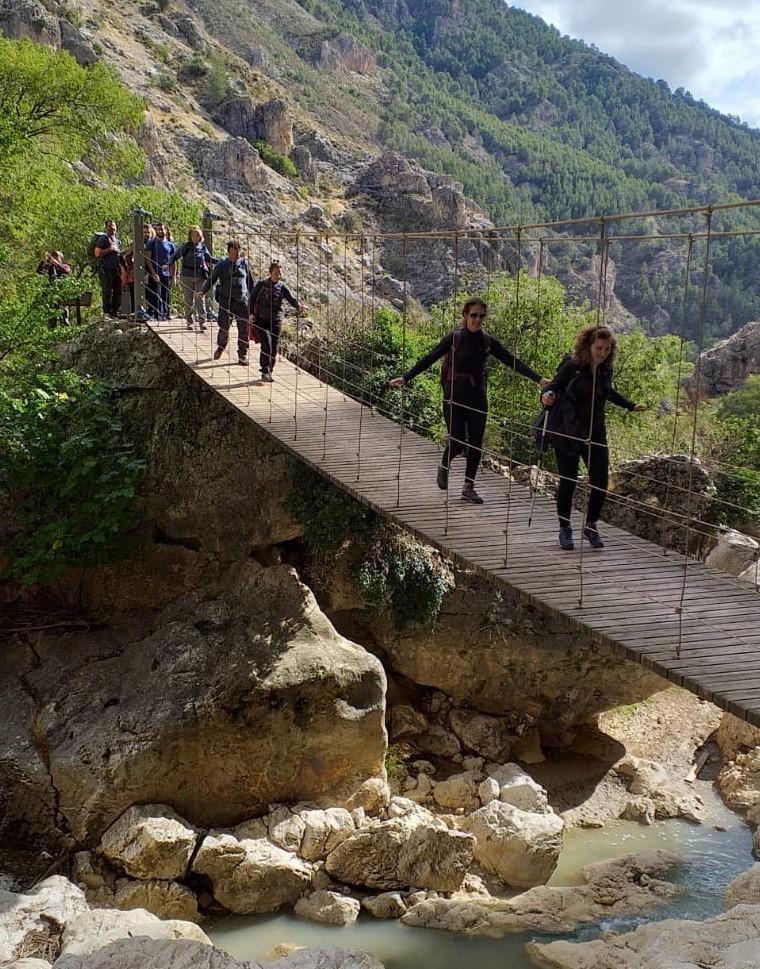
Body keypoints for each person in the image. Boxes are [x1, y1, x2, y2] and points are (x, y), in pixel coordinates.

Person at [389, 298, 547, 504]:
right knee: (457, 440)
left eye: (481, 316)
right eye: (473, 315)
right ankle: (444, 463)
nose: (477, 319)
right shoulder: (454, 338)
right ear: (465, 315)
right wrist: (406, 377)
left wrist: (538, 379)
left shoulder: (487, 341)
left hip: (477, 396)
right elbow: (430, 358)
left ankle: (468, 487)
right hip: (454, 395)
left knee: (476, 442)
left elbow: (511, 360)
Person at [541, 324, 646, 550]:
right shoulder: (573, 367)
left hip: (595, 431)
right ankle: (565, 528)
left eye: (607, 349)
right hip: (568, 431)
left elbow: (608, 392)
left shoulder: (606, 370)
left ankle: (591, 525)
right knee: (568, 480)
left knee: (600, 481)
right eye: (599, 348)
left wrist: (630, 405)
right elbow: (553, 387)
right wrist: (546, 397)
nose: (603, 353)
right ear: (588, 346)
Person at [250, 261, 306, 381]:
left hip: (276, 321)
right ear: (270, 273)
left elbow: (291, 298)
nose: (278, 275)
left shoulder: (282, 287)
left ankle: (270, 370)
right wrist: (250, 314)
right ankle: (264, 370)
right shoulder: (261, 285)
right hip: (261, 320)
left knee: (274, 348)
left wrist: (298, 306)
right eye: (276, 273)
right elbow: (251, 299)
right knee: (267, 345)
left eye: (280, 273)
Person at [203, 240, 255, 365]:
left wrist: (254, 299)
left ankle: (242, 354)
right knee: (224, 327)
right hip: (226, 301)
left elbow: (250, 283)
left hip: (242, 302)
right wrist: (203, 290)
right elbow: (212, 278)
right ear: (228, 252)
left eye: (238, 251)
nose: (236, 254)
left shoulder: (244, 264)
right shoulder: (222, 264)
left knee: (243, 329)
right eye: (233, 252)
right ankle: (221, 346)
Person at [171, 225, 213, 332]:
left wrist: (223, 261)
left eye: (197, 235)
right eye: (193, 235)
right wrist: (168, 263)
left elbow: (209, 259)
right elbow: (175, 256)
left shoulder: (202, 247)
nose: (195, 237)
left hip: (200, 276)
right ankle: (189, 321)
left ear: (200, 236)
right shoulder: (186, 247)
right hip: (186, 276)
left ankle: (202, 322)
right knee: (188, 300)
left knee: (200, 299)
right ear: (190, 236)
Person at [145, 223, 177, 321]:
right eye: (158, 229)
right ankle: (157, 315)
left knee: (166, 295)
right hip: (155, 273)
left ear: (165, 230)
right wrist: (153, 273)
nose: (160, 231)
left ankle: (166, 314)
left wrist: (174, 276)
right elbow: (148, 260)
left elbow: (173, 262)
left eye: (162, 229)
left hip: (166, 274)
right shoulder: (151, 243)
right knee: (155, 295)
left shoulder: (171, 245)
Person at [94, 219, 121, 317]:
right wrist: (110, 249)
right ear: (106, 228)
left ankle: (115, 310)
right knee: (107, 290)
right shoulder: (103, 239)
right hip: (106, 268)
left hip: (116, 269)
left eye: (113, 225)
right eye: (109, 226)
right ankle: (107, 311)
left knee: (118, 290)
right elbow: (97, 253)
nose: (112, 228)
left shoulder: (117, 240)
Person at [36, 250, 71, 327]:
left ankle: (65, 329)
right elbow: (39, 271)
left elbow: (66, 271)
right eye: (53, 256)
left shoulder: (65, 266)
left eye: (57, 256)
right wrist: (44, 261)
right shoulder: (50, 268)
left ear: (61, 258)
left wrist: (57, 263)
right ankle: (52, 330)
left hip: (62, 293)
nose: (54, 257)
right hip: (52, 294)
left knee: (64, 314)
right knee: (52, 316)